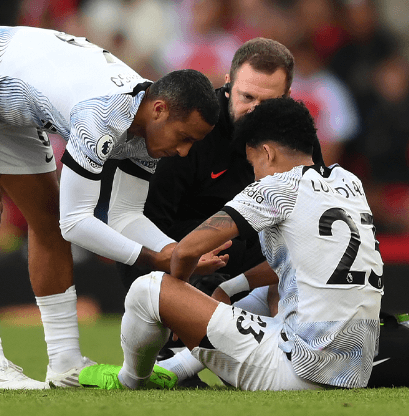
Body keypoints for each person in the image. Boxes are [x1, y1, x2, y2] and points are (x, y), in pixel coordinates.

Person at [0, 26, 224, 390]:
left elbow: (126, 217)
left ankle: (66, 363)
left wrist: (176, 250)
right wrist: (154, 258)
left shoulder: (148, 124)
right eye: (184, 138)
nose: (185, 152)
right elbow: (75, 223)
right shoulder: (103, 114)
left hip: (9, 92)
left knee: (46, 216)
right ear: (159, 110)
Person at [78, 97, 385, 391]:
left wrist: (175, 301)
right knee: (266, 293)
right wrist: (231, 286)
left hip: (300, 371)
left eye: (253, 165)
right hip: (354, 370)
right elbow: (309, 265)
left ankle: (130, 380)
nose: (255, 175)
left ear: (267, 153)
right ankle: (173, 369)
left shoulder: (276, 188)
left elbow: (186, 249)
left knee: (149, 288)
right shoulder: (348, 182)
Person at [118, 37, 294, 290]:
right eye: (247, 97)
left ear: (287, 97)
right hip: (176, 261)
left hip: (255, 267)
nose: (256, 110)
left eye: (268, 103)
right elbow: (144, 223)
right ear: (227, 85)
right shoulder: (191, 131)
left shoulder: (297, 137)